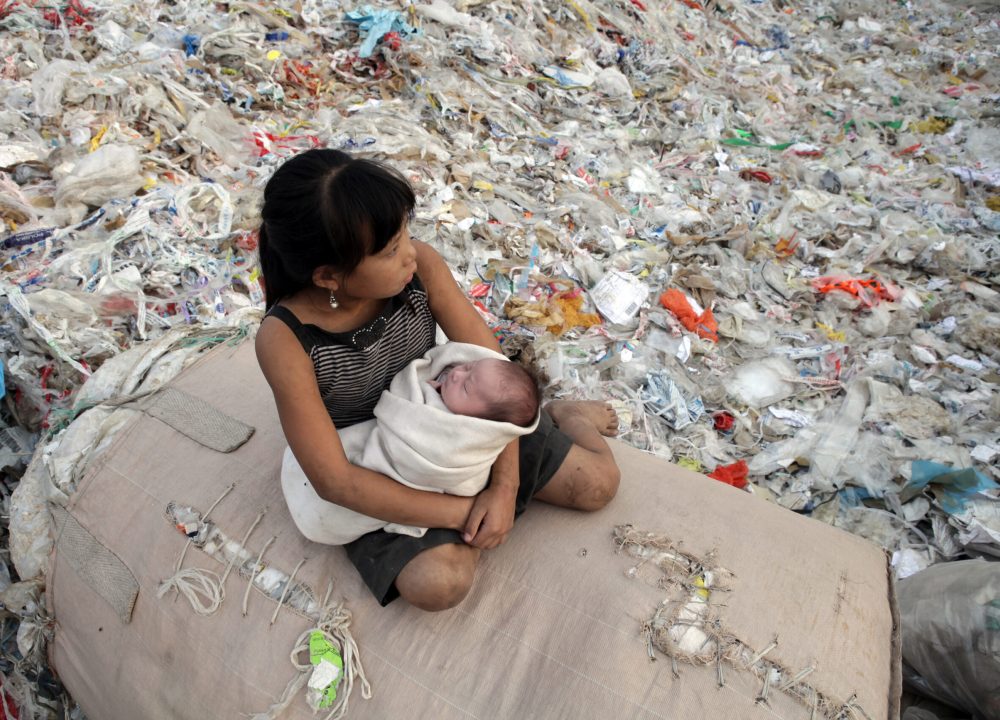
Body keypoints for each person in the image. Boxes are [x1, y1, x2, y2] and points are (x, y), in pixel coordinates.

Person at [255, 148, 621, 611]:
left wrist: (503, 488)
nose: (409, 253)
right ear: (328, 275)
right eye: (390, 251)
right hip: (382, 464)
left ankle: (559, 414)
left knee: (599, 485)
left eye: (406, 233)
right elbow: (336, 481)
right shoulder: (285, 340)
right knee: (439, 584)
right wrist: (470, 511)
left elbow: (491, 361)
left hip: (464, 417)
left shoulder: (420, 268)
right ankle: (454, 519)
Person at [281, 342, 543, 545]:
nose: (456, 375)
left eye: (466, 388)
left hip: (426, 475)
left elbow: (424, 440)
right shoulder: (451, 389)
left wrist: (505, 486)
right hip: (353, 476)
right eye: (467, 368)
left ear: (481, 423)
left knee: (584, 486)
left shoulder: (461, 435)